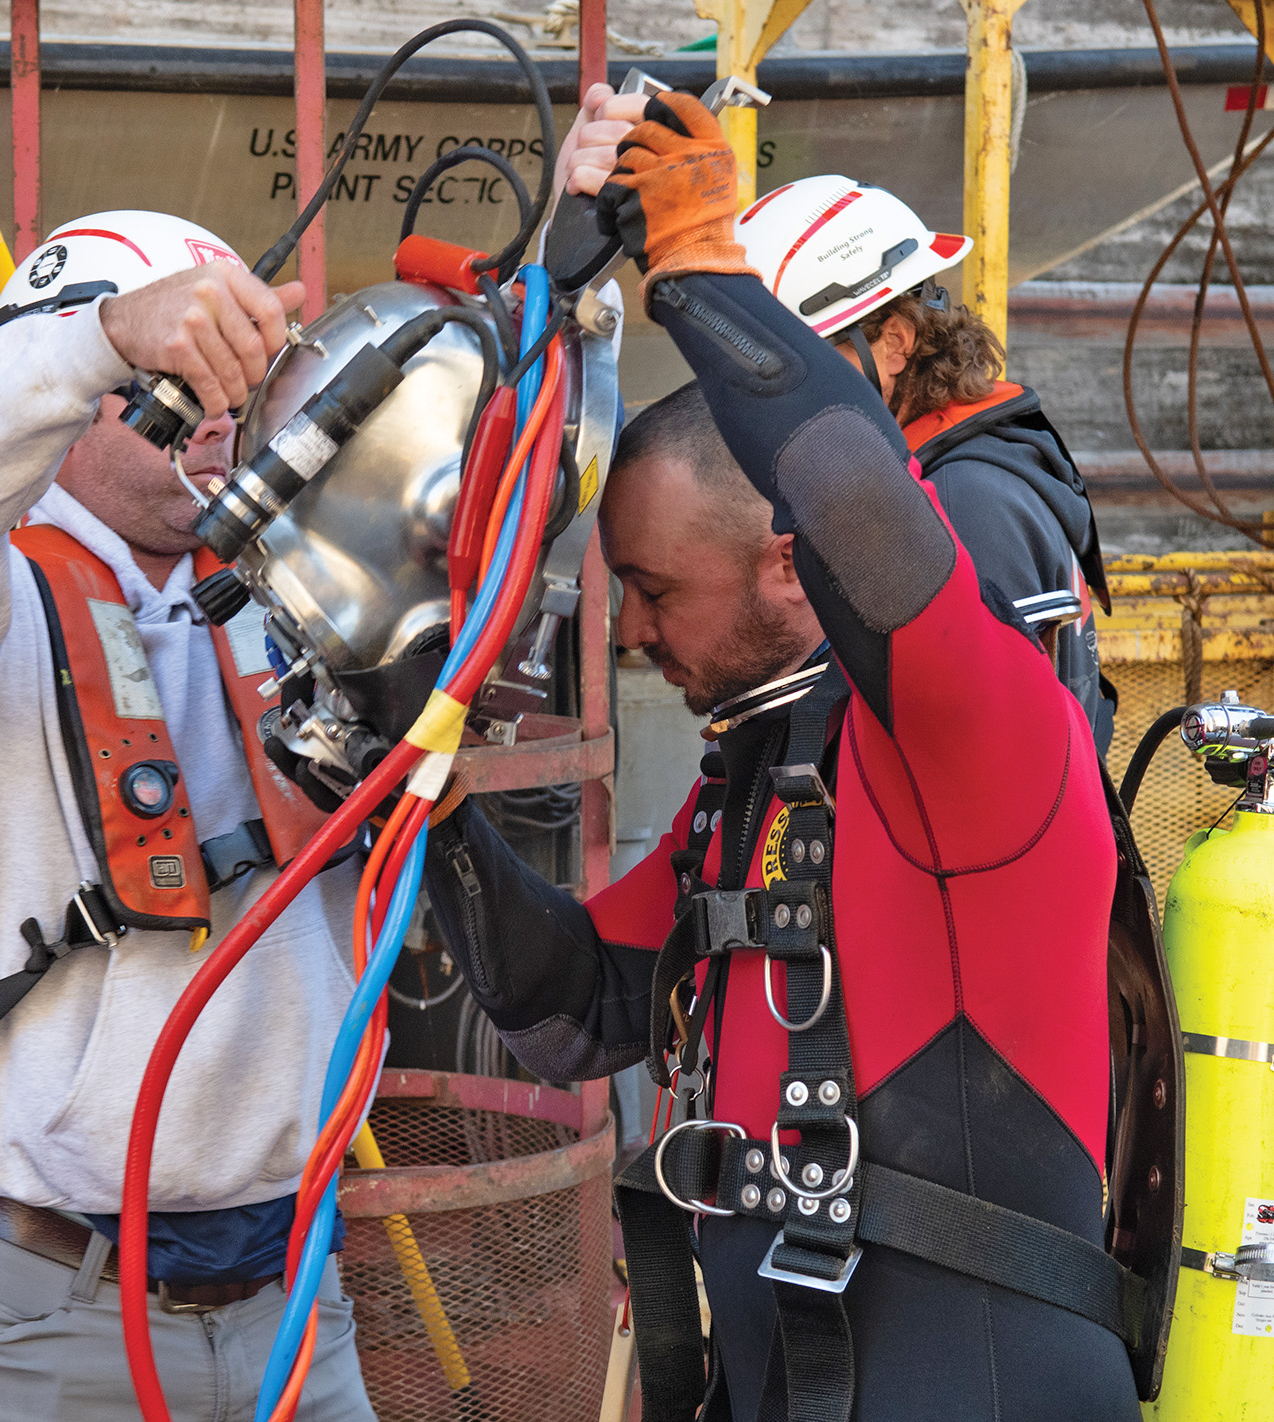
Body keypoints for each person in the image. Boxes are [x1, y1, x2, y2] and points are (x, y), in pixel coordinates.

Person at [417, 92, 1144, 1420]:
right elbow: (571, 1006)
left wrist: (692, 259)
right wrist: (413, 794)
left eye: (650, 590)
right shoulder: (755, 779)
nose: (628, 636)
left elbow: (865, 510)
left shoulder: (974, 731)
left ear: (788, 563)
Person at [0, 212, 376, 1422]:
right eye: (177, 385)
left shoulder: (312, 597)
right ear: (72, 403)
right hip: (49, 1324)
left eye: (237, 379)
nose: (221, 411)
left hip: (301, 1309)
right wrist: (104, 336)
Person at [732, 174, 1117, 752]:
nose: (780, 396)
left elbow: (985, 762)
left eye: (800, 361)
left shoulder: (968, 504)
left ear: (894, 343)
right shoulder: (948, 475)